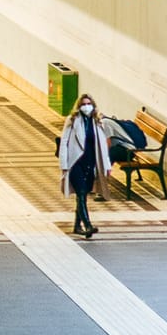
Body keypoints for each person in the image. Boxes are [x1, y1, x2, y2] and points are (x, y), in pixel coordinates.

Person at [58, 93, 112, 238]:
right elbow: (64, 142)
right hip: (75, 163)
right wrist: (64, 163)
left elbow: (102, 146)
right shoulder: (72, 120)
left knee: (83, 195)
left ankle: (77, 226)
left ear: (93, 106)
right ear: (79, 106)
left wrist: (106, 165)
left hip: (90, 163)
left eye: (88, 104)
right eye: (83, 104)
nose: (86, 107)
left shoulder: (97, 122)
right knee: (81, 193)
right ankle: (87, 225)